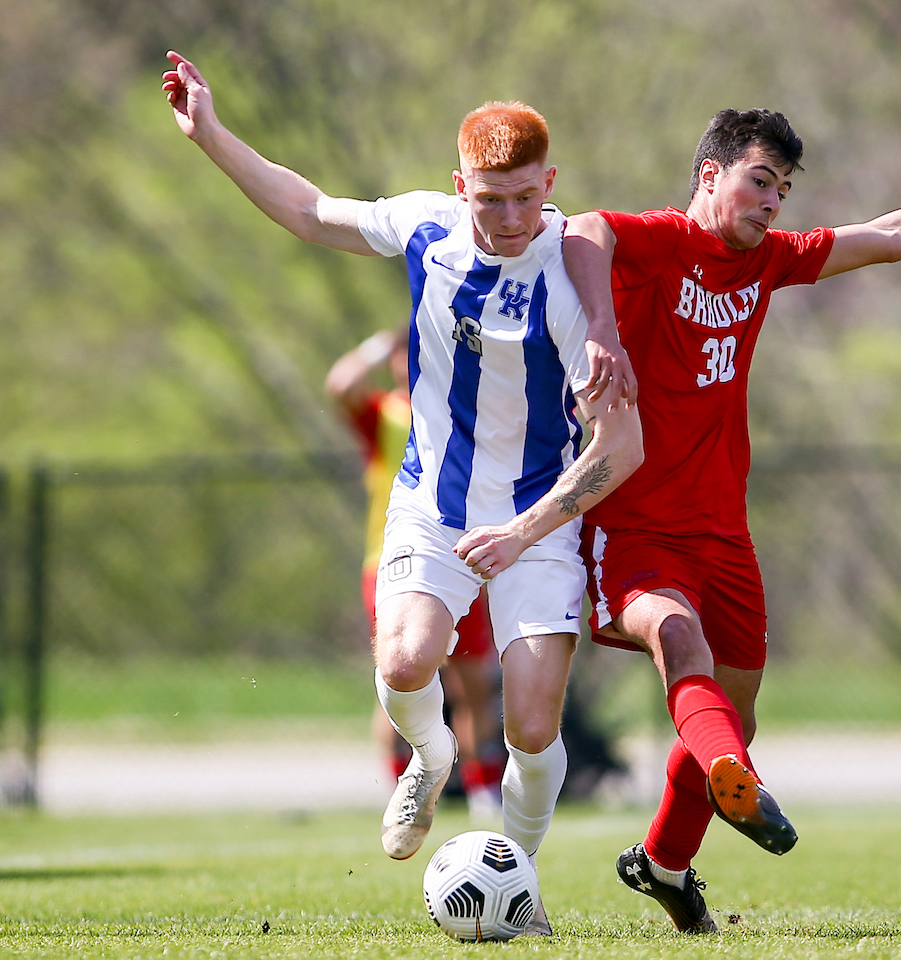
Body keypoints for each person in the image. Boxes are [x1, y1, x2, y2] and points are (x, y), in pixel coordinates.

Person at [563, 108, 901, 933]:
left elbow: (890, 233)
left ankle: (665, 864)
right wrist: (602, 326)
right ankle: (736, 783)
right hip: (633, 525)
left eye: (782, 188)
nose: (773, 202)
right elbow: (585, 230)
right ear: (711, 175)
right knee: (679, 644)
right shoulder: (662, 242)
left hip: (723, 532)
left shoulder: (767, 261)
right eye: (759, 180)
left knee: (731, 717)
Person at [163, 51, 643, 935]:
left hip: (539, 522)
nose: (508, 217)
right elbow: (309, 212)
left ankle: (517, 881)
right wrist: (213, 135)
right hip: (433, 503)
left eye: (526, 197)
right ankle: (429, 756)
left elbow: (624, 447)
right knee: (402, 664)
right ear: (458, 185)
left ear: (552, 185)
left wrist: (525, 530)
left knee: (533, 725)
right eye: (489, 197)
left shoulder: (572, 281)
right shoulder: (424, 228)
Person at [325, 328, 505, 820]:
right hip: (391, 563)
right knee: (397, 679)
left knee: (473, 686)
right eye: (405, 354)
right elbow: (339, 386)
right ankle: (401, 792)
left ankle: (483, 793)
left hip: (462, 560)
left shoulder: (465, 408)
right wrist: (376, 345)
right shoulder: (384, 414)